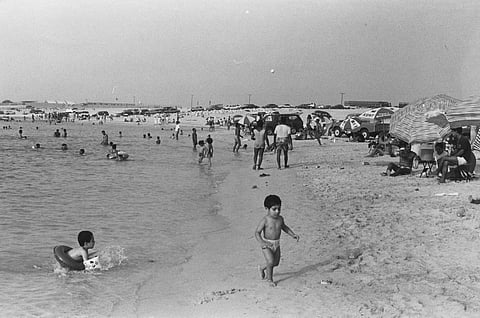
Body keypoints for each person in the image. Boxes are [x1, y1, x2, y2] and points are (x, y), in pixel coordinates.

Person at [255, 195, 299, 286]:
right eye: (274, 209)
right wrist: (262, 242)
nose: (277, 211)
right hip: (267, 244)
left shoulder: (280, 219)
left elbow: (284, 227)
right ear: (267, 208)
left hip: (276, 243)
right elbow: (257, 232)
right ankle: (269, 279)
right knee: (270, 261)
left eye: (279, 209)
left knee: (275, 263)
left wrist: (293, 234)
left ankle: (262, 268)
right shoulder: (265, 220)